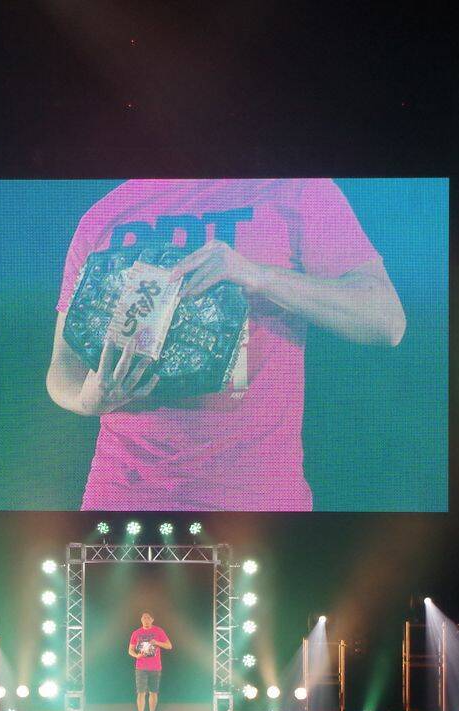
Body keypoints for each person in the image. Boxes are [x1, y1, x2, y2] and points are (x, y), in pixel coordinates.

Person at [47, 179, 406, 511]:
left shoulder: (296, 188)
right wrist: (87, 400)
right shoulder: (105, 214)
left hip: (254, 500)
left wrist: (257, 275)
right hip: (121, 497)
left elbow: (386, 320)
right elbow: (63, 367)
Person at [128, 612, 172, 711]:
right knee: (141, 692)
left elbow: (169, 646)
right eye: (144, 618)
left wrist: (157, 642)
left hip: (155, 667)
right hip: (141, 667)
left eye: (148, 618)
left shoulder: (158, 631)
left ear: (152, 619)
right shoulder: (136, 633)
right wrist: (136, 655)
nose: (146, 620)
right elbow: (130, 650)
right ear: (141, 620)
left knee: (153, 692)